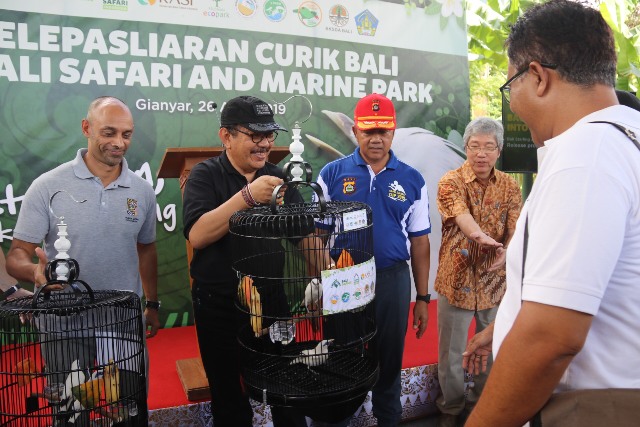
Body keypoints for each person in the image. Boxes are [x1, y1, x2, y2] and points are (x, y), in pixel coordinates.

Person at [461, 1, 640, 426]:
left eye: (510, 87)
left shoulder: (586, 156)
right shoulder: (623, 141)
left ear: (538, 77)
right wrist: (502, 327)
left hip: (588, 407)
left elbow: (550, 339)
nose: (513, 104)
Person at [6, 96, 159, 424]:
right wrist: (36, 270)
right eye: (109, 132)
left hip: (122, 324)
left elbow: (147, 249)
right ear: (86, 129)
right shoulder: (46, 187)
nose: (119, 143)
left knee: (128, 415)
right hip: (63, 327)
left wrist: (153, 304)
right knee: (73, 418)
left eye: (127, 134)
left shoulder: (143, 191)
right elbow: (16, 255)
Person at [182, 95, 331, 427]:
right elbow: (198, 235)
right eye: (255, 135)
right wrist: (247, 197)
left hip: (272, 302)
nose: (264, 144)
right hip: (220, 306)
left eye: (269, 135)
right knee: (229, 400)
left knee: (287, 393)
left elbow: (305, 237)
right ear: (227, 136)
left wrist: (332, 281)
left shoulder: (279, 179)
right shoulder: (205, 176)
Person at [314, 93, 431, 427]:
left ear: (393, 131)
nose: (376, 138)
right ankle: (336, 421)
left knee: (389, 359)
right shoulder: (332, 174)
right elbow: (316, 237)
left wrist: (422, 297)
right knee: (340, 357)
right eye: (368, 131)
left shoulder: (412, 179)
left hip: (393, 279)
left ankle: (388, 419)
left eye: (383, 130)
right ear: (355, 131)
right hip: (343, 278)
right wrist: (322, 281)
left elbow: (420, 241)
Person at [434, 118, 521, 427]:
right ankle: (451, 410)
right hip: (455, 282)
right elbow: (460, 215)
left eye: (488, 147)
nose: (481, 154)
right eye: (474, 146)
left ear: (498, 151)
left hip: (494, 284)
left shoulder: (511, 186)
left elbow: (516, 228)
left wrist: (507, 252)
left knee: (490, 350)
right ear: (466, 148)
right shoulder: (451, 181)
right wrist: (482, 238)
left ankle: (480, 409)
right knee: (452, 355)